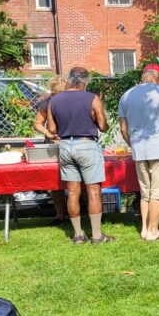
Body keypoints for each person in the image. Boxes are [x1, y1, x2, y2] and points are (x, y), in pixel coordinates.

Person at [118, 63, 159, 241]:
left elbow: (123, 128)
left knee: (145, 191)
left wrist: (132, 144)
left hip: (139, 149)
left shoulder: (127, 95)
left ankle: (145, 230)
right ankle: (153, 230)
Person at [47, 67, 112, 244]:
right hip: (86, 145)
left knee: (73, 192)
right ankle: (97, 235)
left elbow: (52, 129)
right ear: (85, 81)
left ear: (69, 79)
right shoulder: (92, 98)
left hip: (66, 146)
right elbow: (103, 126)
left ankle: (78, 235)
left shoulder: (54, 100)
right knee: (93, 192)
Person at [32, 74, 68, 224]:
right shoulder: (46, 103)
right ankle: (60, 214)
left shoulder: (71, 101)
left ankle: (81, 211)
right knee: (56, 181)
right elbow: (38, 123)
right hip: (53, 142)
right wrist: (48, 133)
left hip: (70, 140)